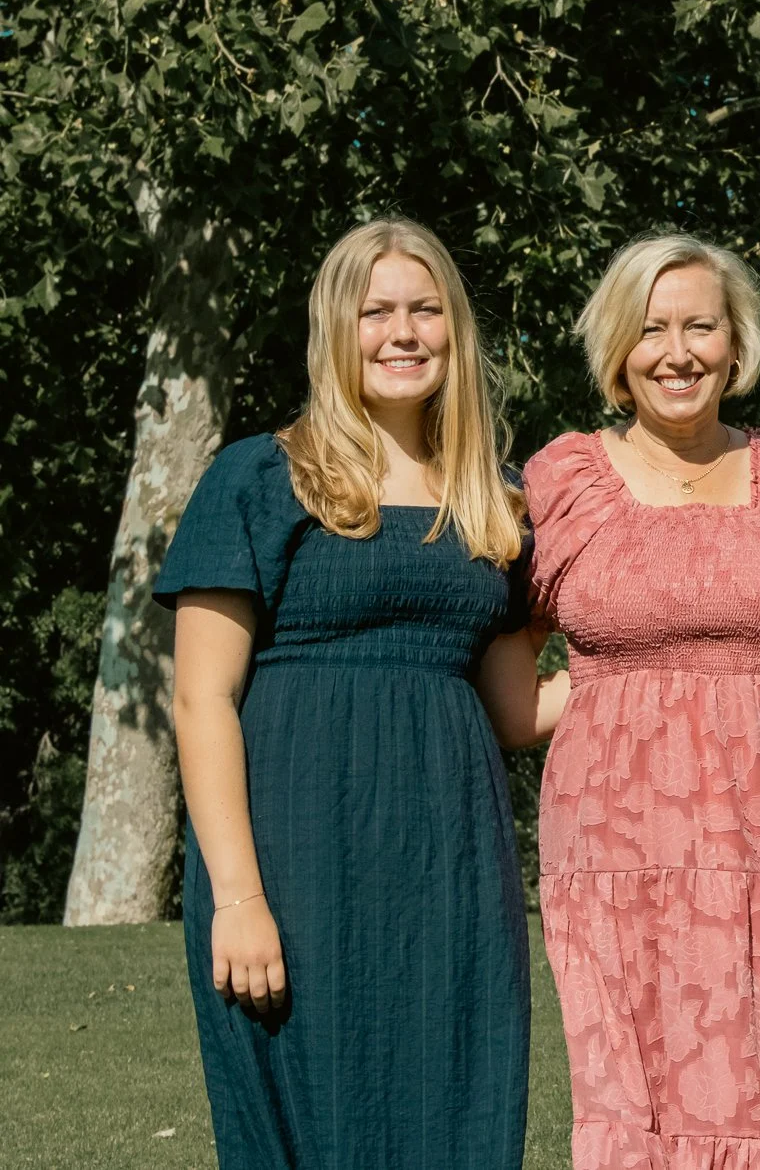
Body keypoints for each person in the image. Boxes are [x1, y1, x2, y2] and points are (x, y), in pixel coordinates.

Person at [160, 219, 534, 1170]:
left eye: (425, 309)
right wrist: (238, 895)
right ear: (337, 325)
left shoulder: (493, 496)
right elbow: (202, 698)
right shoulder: (259, 476)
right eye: (376, 311)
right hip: (290, 867)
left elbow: (514, 708)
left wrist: (673, 674)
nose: (402, 333)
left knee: (454, 1119)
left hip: (449, 872)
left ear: (456, 330)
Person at [507, 234, 760, 1169]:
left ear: (737, 346)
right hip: (613, 857)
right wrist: (606, 685)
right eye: (652, 329)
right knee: (631, 1113)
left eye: (702, 325)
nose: (678, 351)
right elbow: (508, 658)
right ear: (618, 350)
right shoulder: (563, 482)